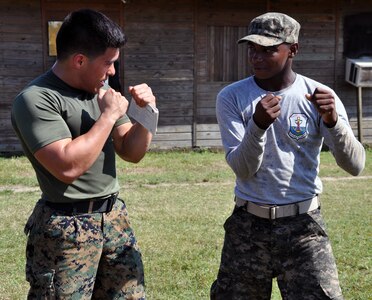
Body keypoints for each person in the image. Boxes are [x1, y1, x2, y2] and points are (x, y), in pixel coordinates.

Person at [211, 12, 365, 300]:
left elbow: (355, 165)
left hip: (304, 227)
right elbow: (242, 169)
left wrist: (333, 122)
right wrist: (256, 127)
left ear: (293, 49)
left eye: (268, 49)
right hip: (248, 225)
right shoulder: (232, 97)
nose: (257, 57)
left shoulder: (319, 96)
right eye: (252, 49)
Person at [11, 8, 156, 299]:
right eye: (108, 63)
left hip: (113, 219)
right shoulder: (37, 99)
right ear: (79, 60)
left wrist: (147, 114)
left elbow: (131, 150)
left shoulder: (99, 90)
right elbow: (67, 166)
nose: (113, 72)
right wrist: (108, 116)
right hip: (65, 229)